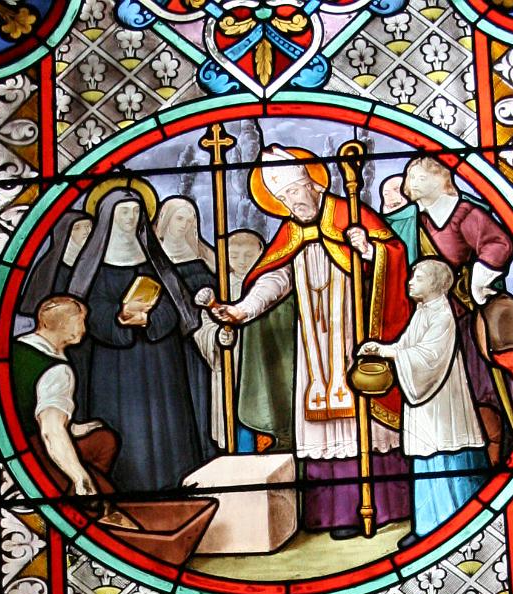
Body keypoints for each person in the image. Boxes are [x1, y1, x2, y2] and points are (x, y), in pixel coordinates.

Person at [213, 145, 411, 538]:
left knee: (364, 424)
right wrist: (242, 310)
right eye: (283, 198)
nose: (292, 202)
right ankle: (333, 516)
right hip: (314, 349)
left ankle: (382, 507)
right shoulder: (291, 233)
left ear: (314, 184)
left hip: (356, 340)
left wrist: (367, 249)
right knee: (321, 431)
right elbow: (275, 278)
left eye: (294, 191)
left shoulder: (350, 215)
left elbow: (394, 255)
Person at [68, 188, 203, 492]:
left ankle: (176, 484)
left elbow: (174, 304)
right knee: (124, 425)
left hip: (161, 360)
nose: (131, 218)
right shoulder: (94, 265)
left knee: (168, 423)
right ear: (108, 216)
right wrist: (117, 318)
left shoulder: (154, 260)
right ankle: (125, 489)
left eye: (135, 211)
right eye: (123, 211)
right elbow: (86, 310)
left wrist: (150, 320)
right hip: (114, 366)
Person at [359, 259, 488, 547]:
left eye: (417, 278)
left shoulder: (442, 315)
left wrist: (393, 354)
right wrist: (382, 350)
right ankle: (427, 527)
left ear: (437, 284)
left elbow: (429, 357)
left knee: (445, 457)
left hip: (442, 405)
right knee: (426, 458)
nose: (410, 282)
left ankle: (452, 525)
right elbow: (407, 347)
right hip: (425, 405)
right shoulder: (423, 312)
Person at [402, 156, 513, 463]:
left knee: (479, 393)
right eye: (411, 177)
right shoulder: (416, 220)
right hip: (427, 324)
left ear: (442, 180)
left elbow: (499, 243)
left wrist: (480, 275)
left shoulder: (463, 213)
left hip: (463, 322)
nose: (412, 184)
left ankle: (494, 463)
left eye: (420, 177)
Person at [11, 296, 117, 497]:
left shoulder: (13, 350)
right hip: (29, 452)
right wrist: (81, 480)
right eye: (81, 321)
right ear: (64, 326)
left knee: (103, 440)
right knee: (107, 499)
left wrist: (74, 427)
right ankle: (68, 497)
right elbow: (51, 430)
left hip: (7, 442)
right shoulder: (57, 370)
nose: (84, 328)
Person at [155, 197, 218, 459]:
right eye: (179, 218)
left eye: (190, 220)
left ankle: (206, 452)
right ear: (166, 220)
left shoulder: (203, 255)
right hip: (170, 342)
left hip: (201, 340)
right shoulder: (153, 259)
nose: (184, 225)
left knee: (202, 396)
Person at [194, 229, 265, 450]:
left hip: (262, 366)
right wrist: (219, 337)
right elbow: (203, 329)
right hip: (231, 367)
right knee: (235, 422)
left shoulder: (267, 285)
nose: (241, 261)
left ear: (261, 253)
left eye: (248, 255)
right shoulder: (220, 288)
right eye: (234, 256)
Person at [20, 211, 94, 419]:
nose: (86, 232)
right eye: (78, 228)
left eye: (88, 227)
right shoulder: (50, 268)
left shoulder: (96, 266)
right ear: (64, 233)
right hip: (56, 343)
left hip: (87, 343)